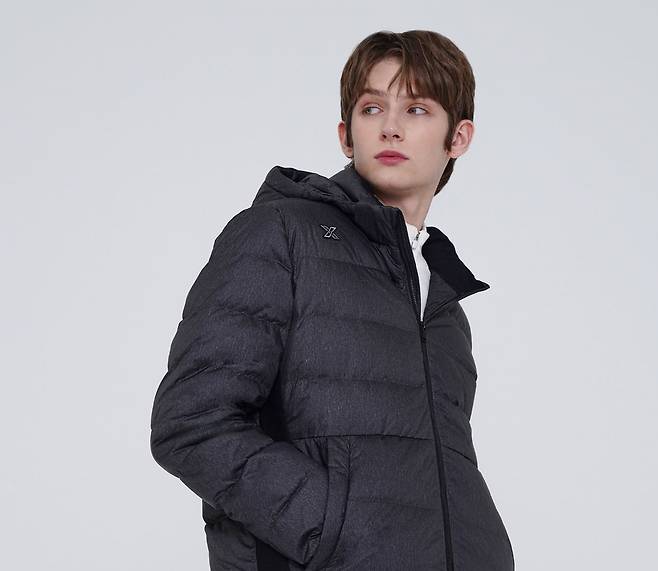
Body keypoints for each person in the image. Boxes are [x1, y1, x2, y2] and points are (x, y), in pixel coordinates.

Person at [150, 29, 514, 571]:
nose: (391, 126)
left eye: (416, 109)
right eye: (372, 108)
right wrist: (333, 530)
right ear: (347, 135)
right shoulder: (281, 234)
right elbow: (191, 421)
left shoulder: (444, 305)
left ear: (457, 138)